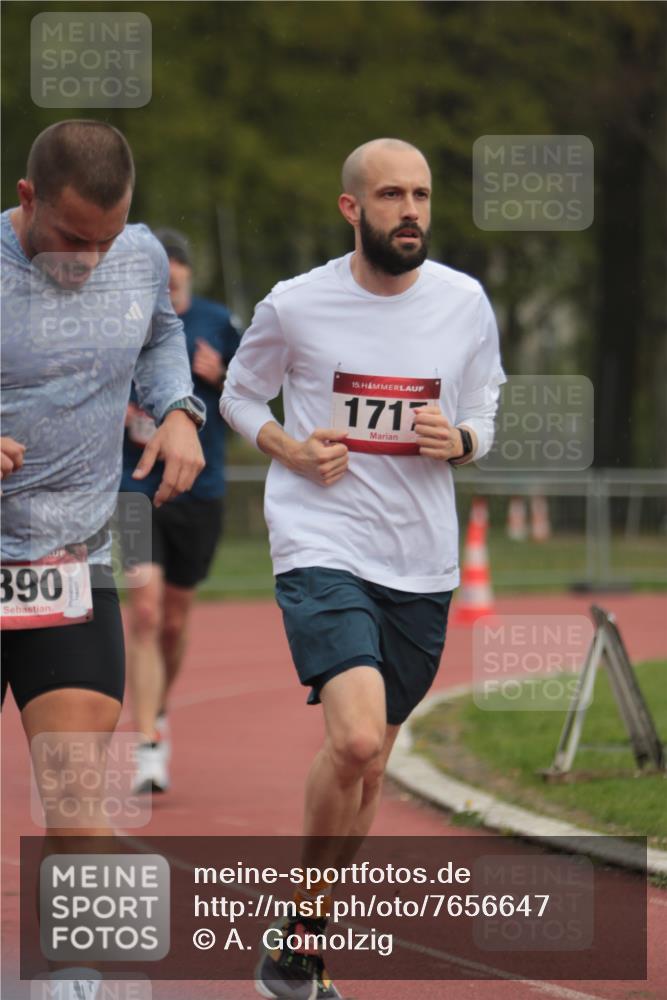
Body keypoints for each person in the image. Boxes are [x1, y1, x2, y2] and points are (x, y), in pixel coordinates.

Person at [221, 138, 505, 1000]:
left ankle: (304, 937)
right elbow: (238, 394)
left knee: (372, 764)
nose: (409, 211)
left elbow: (486, 402)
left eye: (420, 195)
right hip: (321, 539)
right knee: (349, 737)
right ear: (352, 208)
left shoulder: (464, 302)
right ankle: (304, 922)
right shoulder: (296, 304)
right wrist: (288, 448)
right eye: (390, 195)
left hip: (419, 561)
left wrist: (461, 440)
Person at [0, 120, 205, 999]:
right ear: (27, 199)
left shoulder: (140, 254)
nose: (89, 259)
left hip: (68, 561)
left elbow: (161, 338)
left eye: (106, 239)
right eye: (71, 238)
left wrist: (178, 408)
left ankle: (70, 985)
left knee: (79, 798)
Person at [119, 228, 240, 793]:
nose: (166, 287)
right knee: (143, 611)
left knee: (172, 619)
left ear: (188, 276)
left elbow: (254, 398)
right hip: (134, 485)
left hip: (199, 488)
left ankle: (158, 711)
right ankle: (145, 744)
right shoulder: (121, 319)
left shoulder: (219, 323)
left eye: (174, 278)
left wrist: (221, 379)